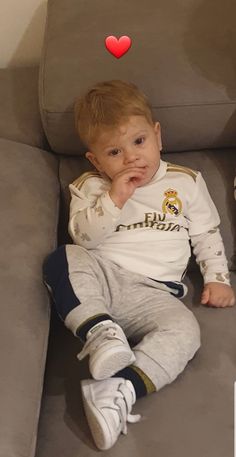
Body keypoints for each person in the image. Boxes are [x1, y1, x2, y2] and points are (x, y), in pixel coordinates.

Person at [43, 79, 235, 451]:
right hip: (103, 277)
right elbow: (84, 238)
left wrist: (217, 277)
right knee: (64, 258)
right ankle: (99, 332)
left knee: (186, 330)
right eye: (115, 151)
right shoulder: (91, 186)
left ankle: (119, 388)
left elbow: (206, 233)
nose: (131, 157)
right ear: (96, 160)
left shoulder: (185, 182)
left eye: (139, 142)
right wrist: (115, 197)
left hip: (155, 293)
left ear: (158, 136)